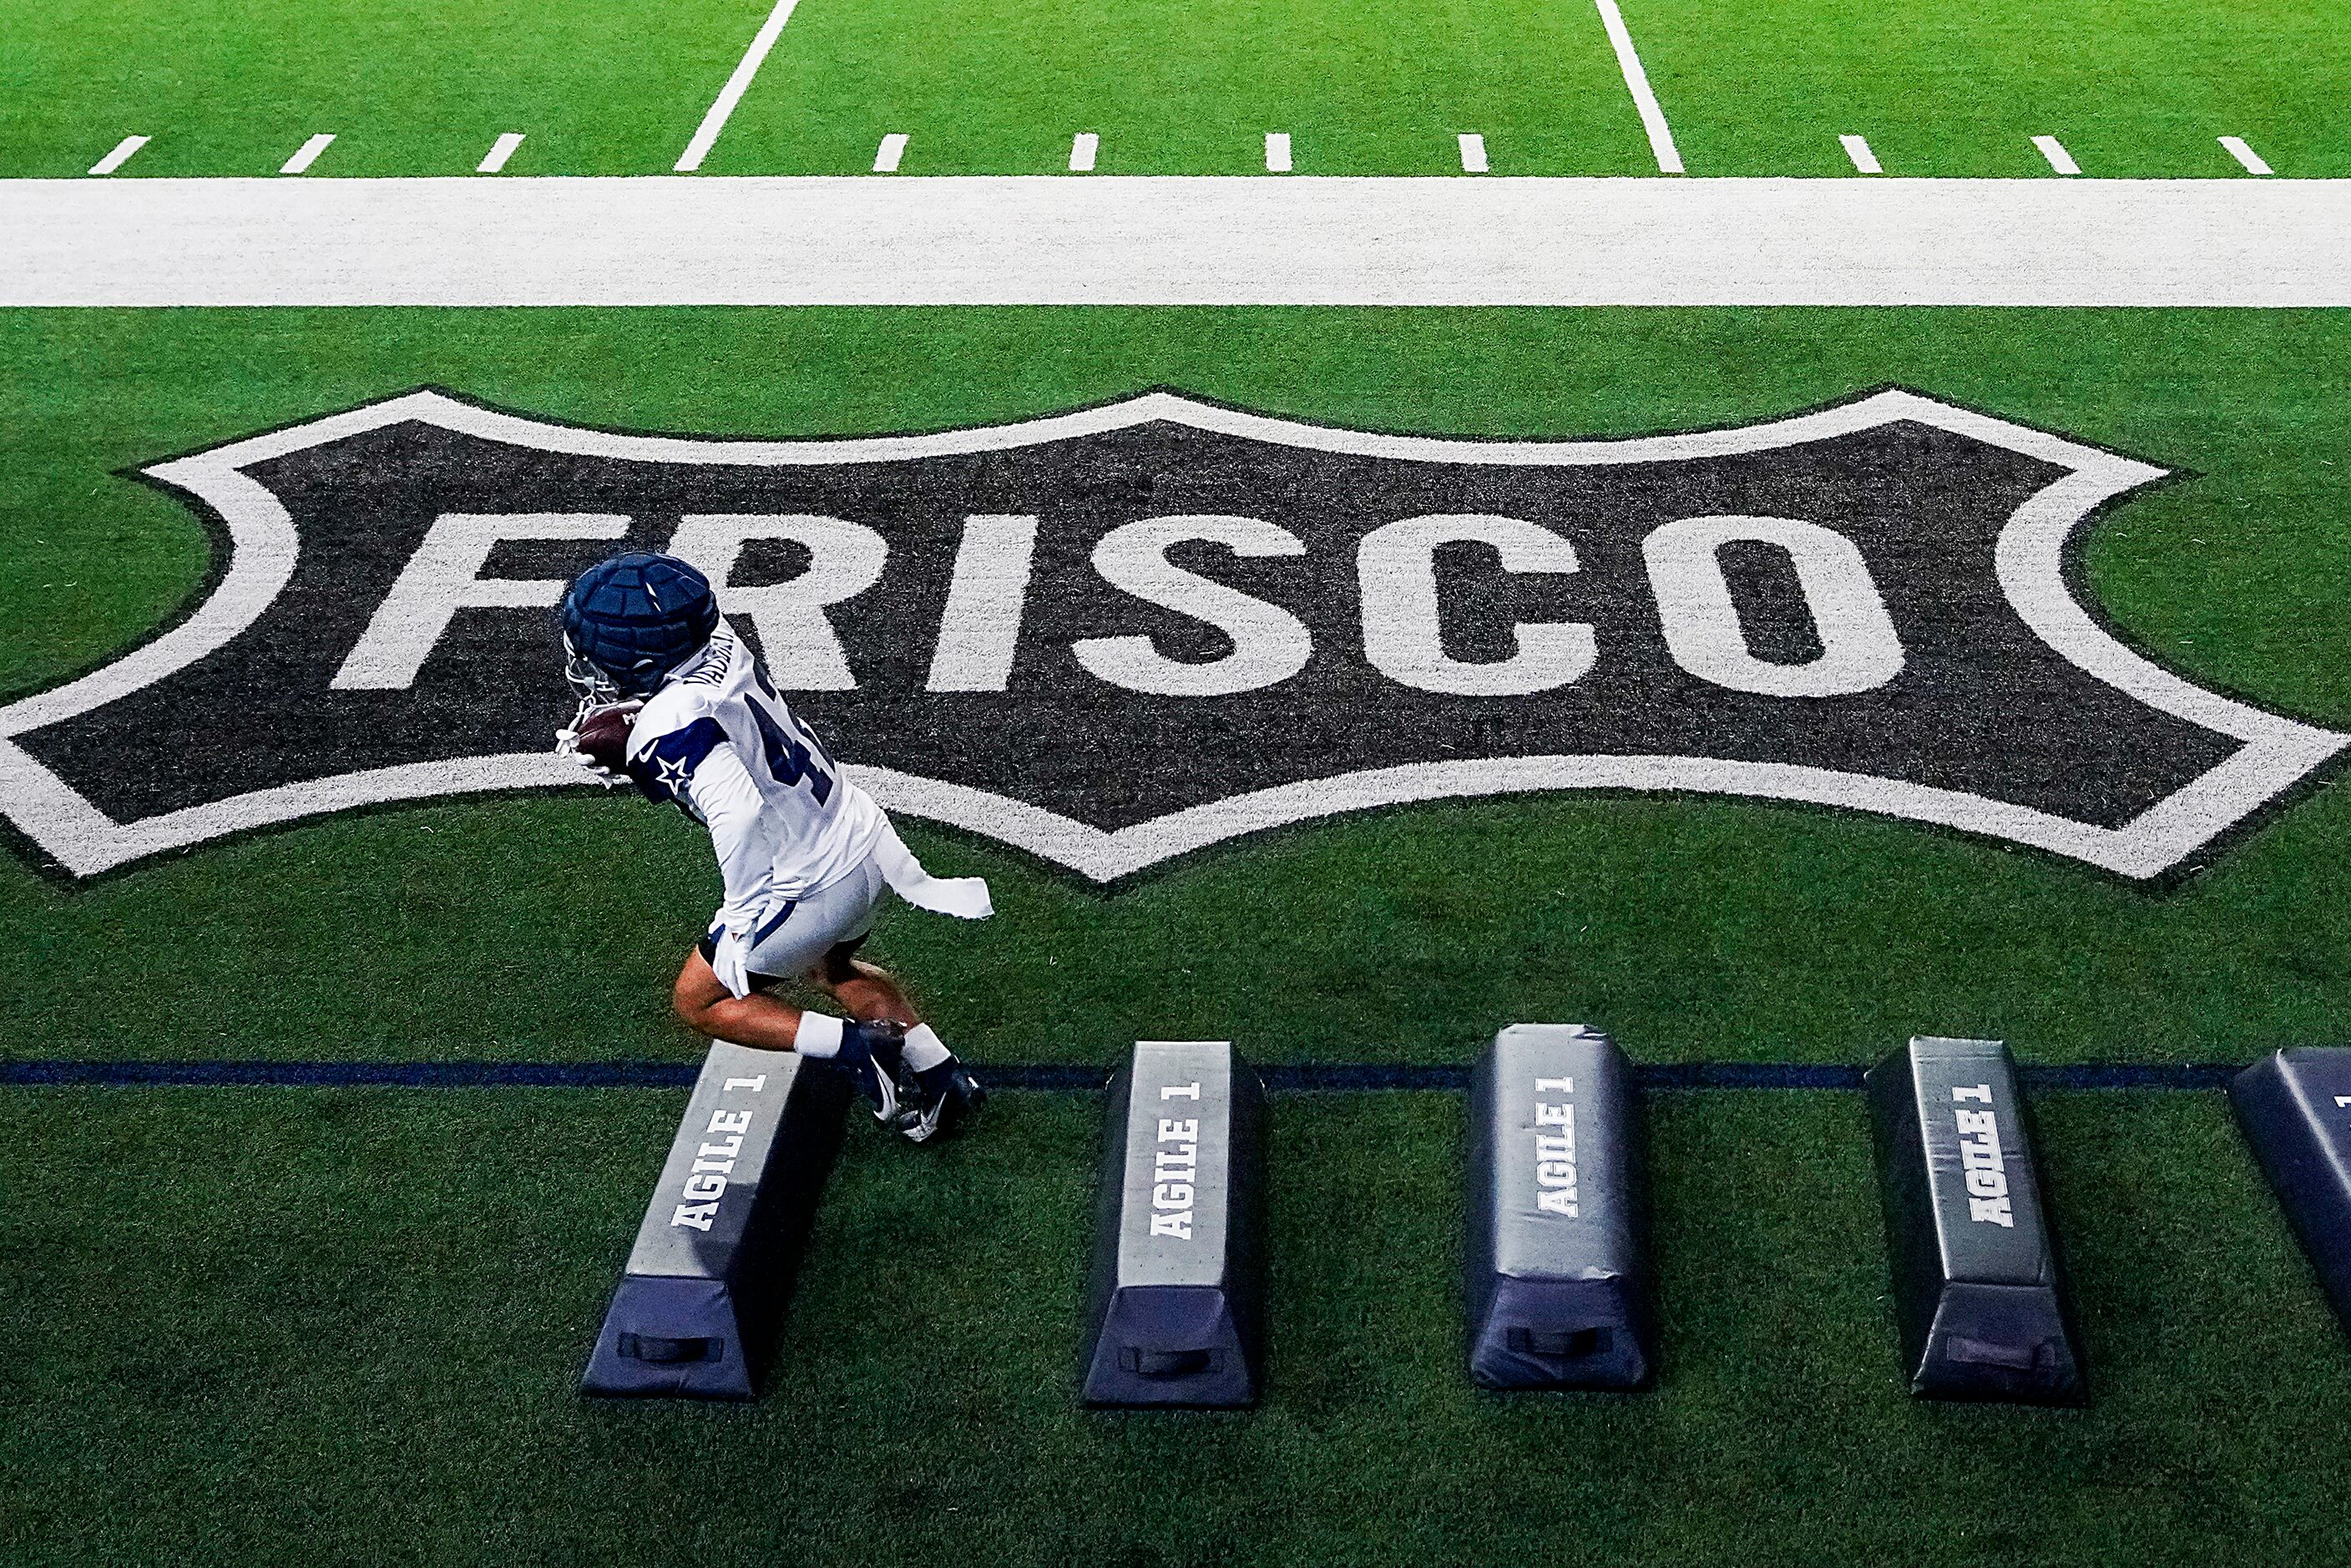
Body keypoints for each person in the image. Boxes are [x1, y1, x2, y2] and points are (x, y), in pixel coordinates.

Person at [553, 550, 989, 1142]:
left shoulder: (669, 720)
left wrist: (740, 919)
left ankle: (857, 1049)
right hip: (861, 838)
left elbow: (736, 808)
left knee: (702, 1001)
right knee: (831, 966)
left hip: (806, 885)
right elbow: (714, 721)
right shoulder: (719, 640)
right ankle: (942, 1076)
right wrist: (640, 757)